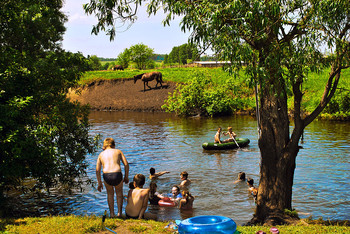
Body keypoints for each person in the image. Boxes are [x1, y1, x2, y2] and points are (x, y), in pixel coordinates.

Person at [96, 137, 129, 218]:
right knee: (119, 194)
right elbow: (126, 164)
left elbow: (97, 170)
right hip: (117, 174)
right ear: (113, 145)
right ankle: (119, 214)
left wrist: (99, 183)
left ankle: (111, 214)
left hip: (107, 175)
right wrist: (126, 176)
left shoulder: (101, 154)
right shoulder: (118, 151)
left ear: (104, 146)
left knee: (110, 194)